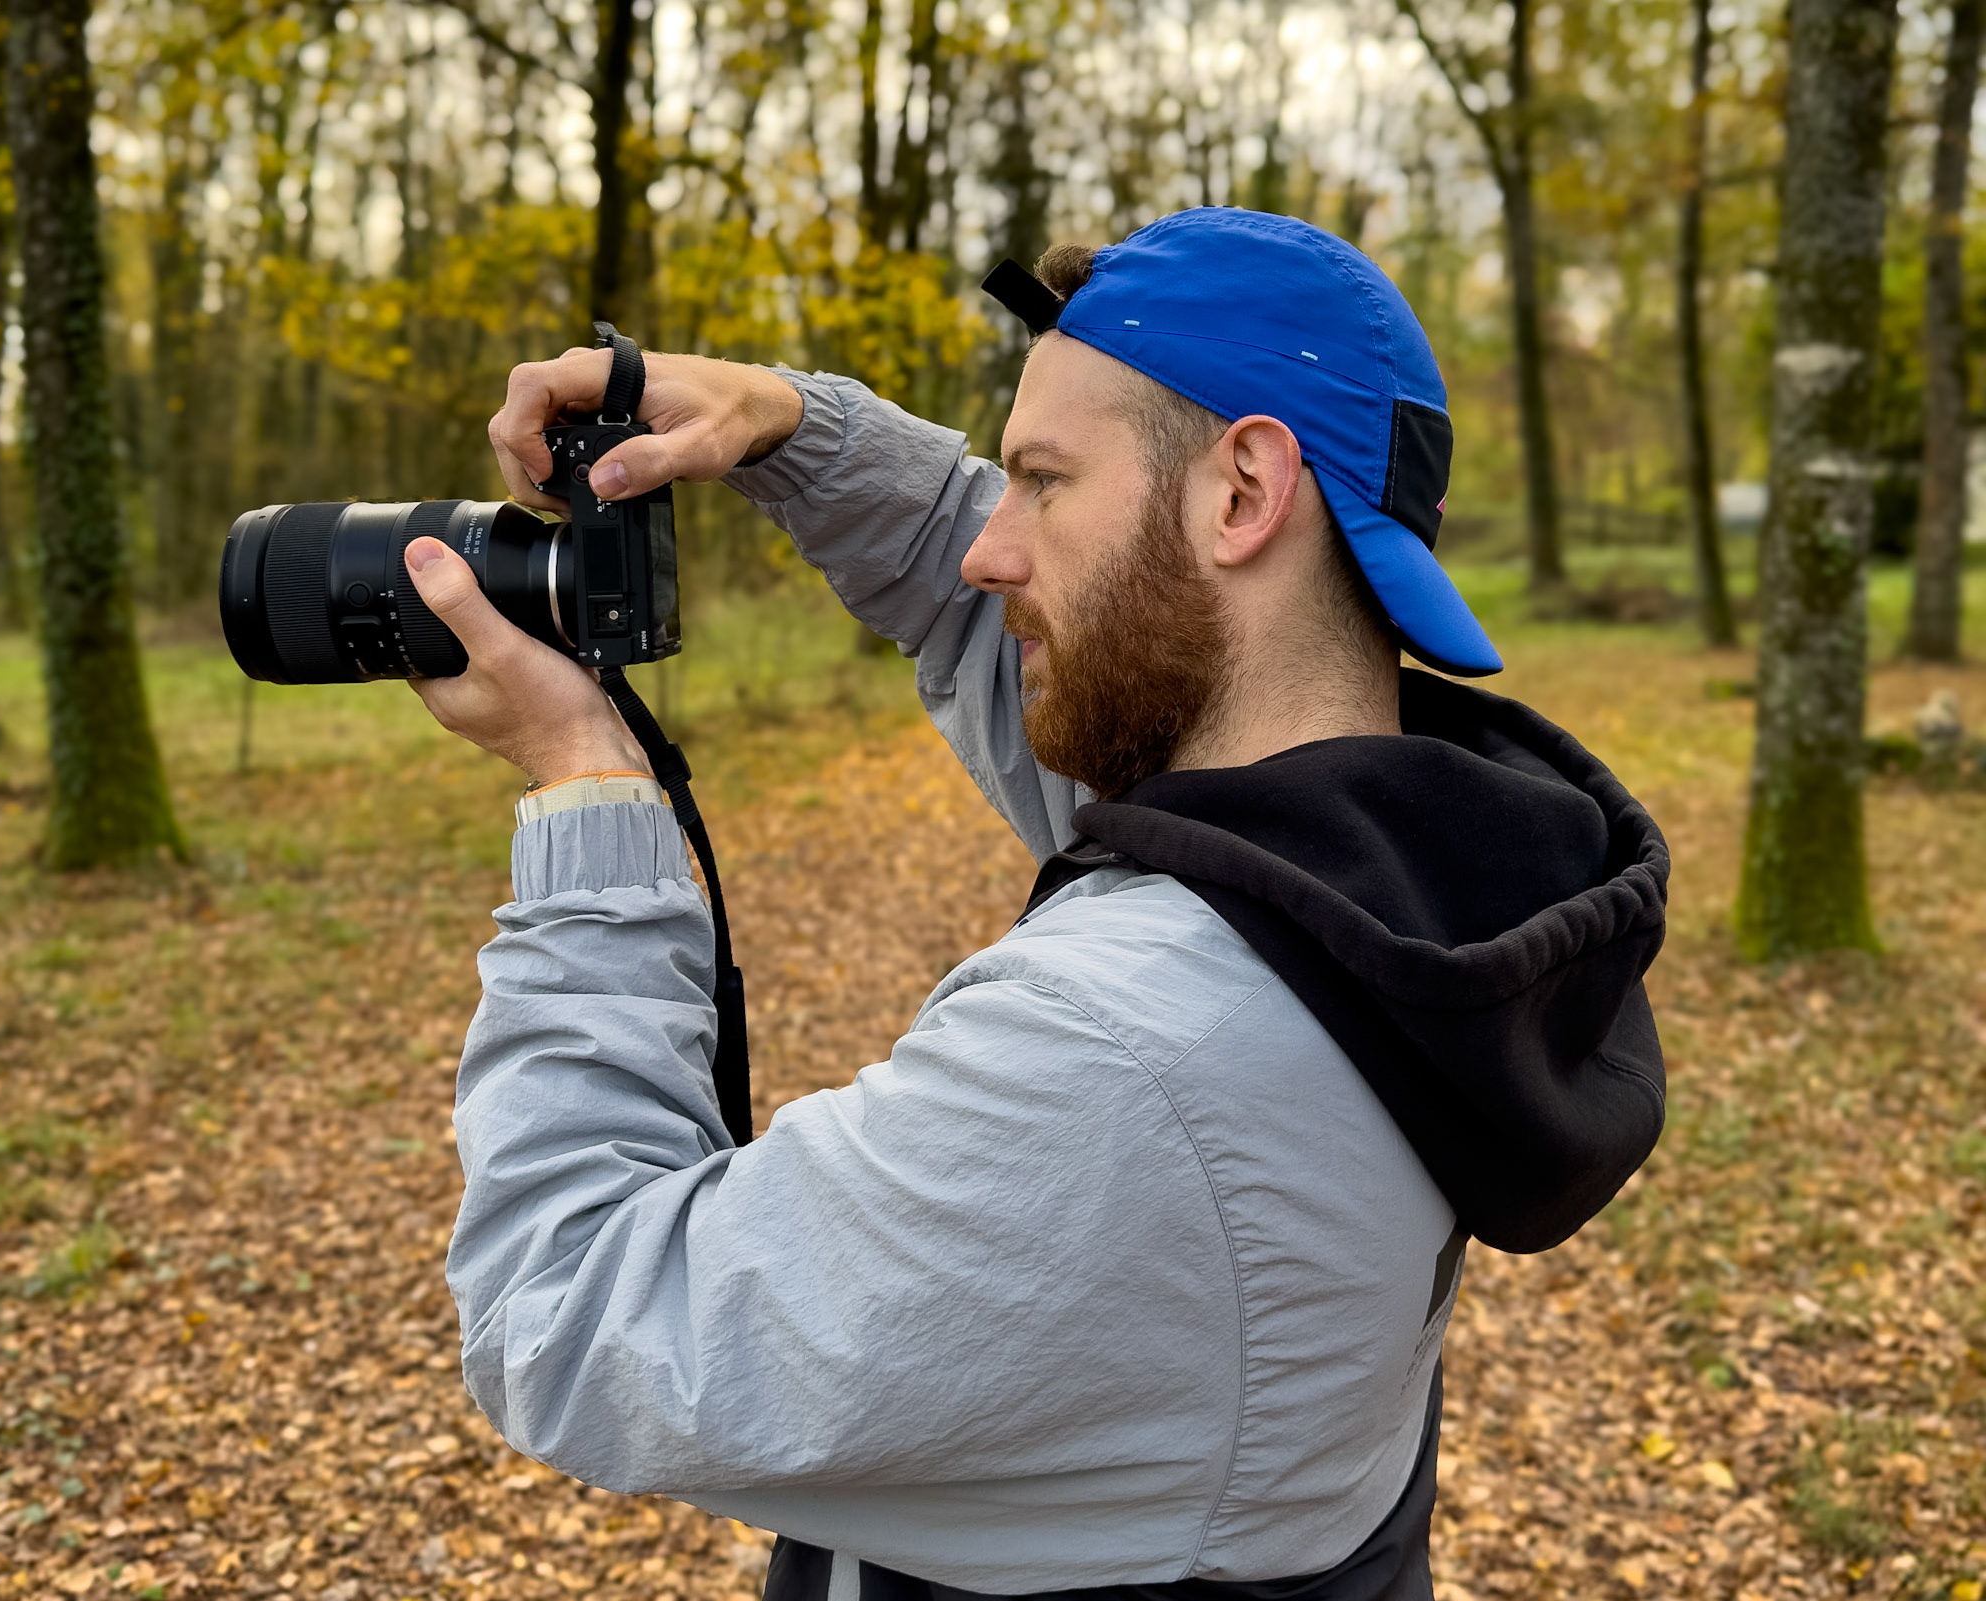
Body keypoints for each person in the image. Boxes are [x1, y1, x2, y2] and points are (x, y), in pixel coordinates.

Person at [408, 208, 1670, 1601]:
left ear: (1244, 493)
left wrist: (588, 787)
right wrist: (787, 425)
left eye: (1044, 481)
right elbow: (1012, 598)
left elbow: (575, 1312)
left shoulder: (1130, 1053)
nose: (990, 549)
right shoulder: (1397, 895)